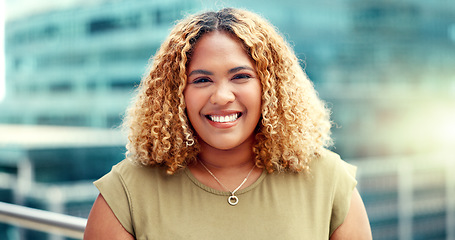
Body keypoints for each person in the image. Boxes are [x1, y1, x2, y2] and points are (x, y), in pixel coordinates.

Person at [84, 8, 372, 239]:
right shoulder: (125, 193)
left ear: (271, 88)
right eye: (201, 80)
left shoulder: (330, 182)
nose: (222, 96)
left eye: (240, 76)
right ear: (176, 94)